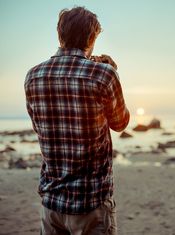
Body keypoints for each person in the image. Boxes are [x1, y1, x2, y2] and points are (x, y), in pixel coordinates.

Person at [24, 6, 130, 235]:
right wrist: (112, 71)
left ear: (60, 35)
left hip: (51, 201)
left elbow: (39, 128)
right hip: (90, 202)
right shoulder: (103, 74)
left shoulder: (33, 76)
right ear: (92, 37)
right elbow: (120, 123)